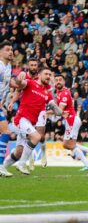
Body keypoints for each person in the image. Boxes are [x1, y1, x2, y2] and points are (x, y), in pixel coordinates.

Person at [4, 68, 63, 175]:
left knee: (18, 152)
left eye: (50, 74)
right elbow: (19, 83)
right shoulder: (30, 83)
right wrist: (20, 76)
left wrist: (59, 108)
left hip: (29, 123)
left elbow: (58, 111)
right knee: (36, 137)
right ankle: (22, 164)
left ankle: (2, 168)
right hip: (21, 119)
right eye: (46, 74)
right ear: (39, 75)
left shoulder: (47, 93)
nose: (48, 76)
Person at [8, 58, 48, 170]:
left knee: (40, 135)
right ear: (28, 66)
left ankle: (44, 154)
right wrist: (12, 102)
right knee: (30, 134)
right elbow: (18, 91)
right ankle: (30, 159)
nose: (34, 67)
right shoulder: (24, 77)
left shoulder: (41, 77)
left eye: (35, 65)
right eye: (32, 65)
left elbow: (49, 87)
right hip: (27, 109)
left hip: (41, 109)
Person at [55, 74, 88, 171]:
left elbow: (59, 111)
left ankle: (87, 164)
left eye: (60, 80)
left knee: (71, 145)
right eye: (56, 80)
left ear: (64, 82)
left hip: (72, 120)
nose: (58, 82)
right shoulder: (59, 91)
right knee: (66, 144)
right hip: (70, 120)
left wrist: (45, 110)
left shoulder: (65, 93)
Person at [0, 41, 13, 176]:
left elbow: (10, 83)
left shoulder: (8, 66)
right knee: (6, 132)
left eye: (11, 50)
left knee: (5, 132)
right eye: (7, 49)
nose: (10, 52)